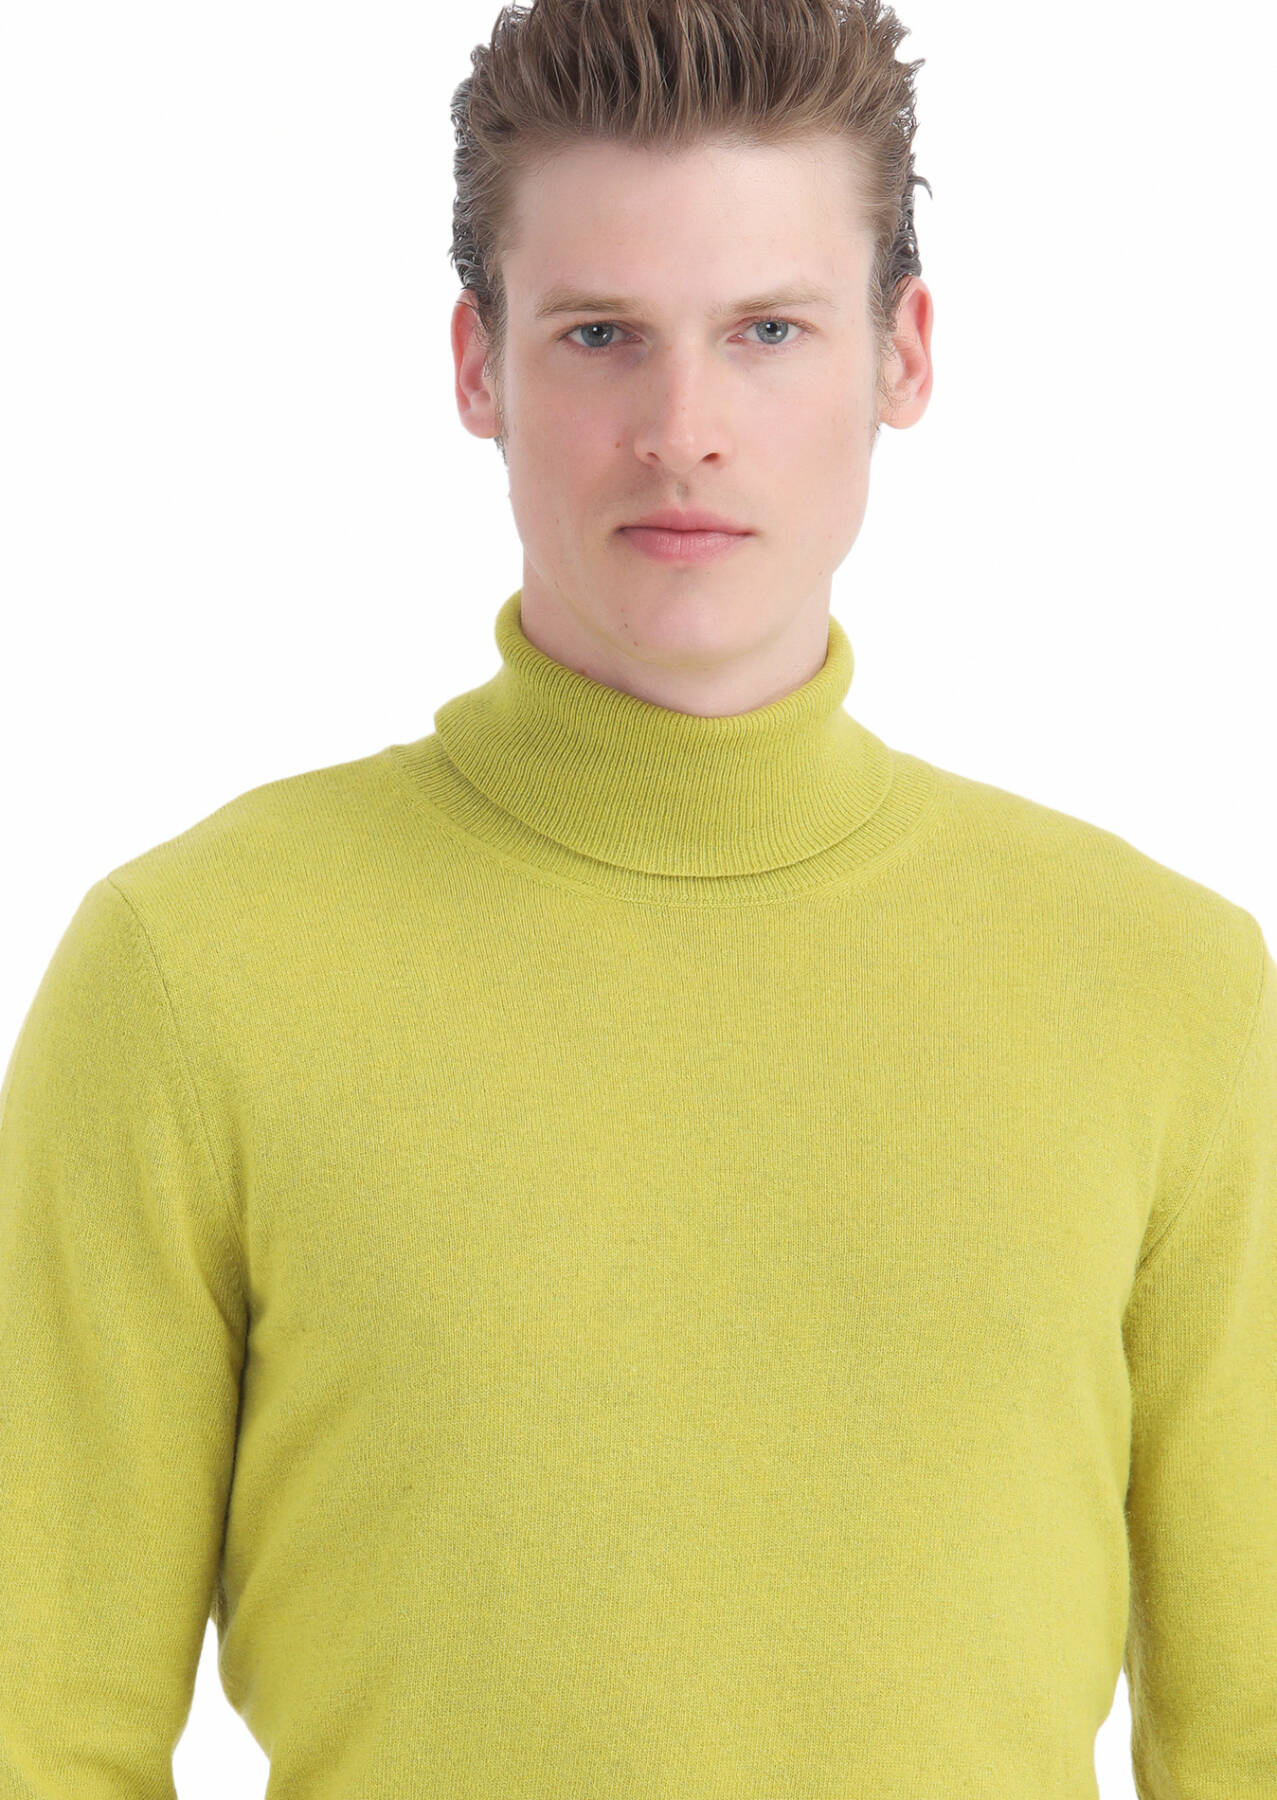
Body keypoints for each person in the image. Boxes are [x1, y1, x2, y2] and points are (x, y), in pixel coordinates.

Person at [1, 0, 1272, 1793]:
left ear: (902, 356)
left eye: (767, 331)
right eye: (600, 334)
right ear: (478, 367)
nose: (682, 431)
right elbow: (41, 1729)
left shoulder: (1167, 990)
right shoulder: (187, 973)